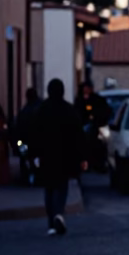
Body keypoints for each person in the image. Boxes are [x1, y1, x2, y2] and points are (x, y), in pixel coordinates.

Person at [31, 79, 86, 237]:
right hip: (65, 156)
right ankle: (59, 214)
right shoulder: (69, 110)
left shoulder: (41, 110)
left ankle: (51, 221)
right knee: (61, 187)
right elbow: (79, 136)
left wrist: (32, 154)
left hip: (46, 156)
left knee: (49, 188)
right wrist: (81, 157)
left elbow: (33, 135)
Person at [77, 82, 112, 170]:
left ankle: (99, 164)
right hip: (85, 129)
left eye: (88, 88)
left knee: (99, 147)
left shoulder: (97, 100)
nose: (86, 90)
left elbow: (105, 112)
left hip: (98, 128)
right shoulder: (80, 100)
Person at [15, 88, 42, 185]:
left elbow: (18, 128)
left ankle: (26, 177)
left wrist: (18, 143)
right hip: (38, 142)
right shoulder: (41, 107)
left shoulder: (25, 111)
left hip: (26, 142)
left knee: (24, 156)